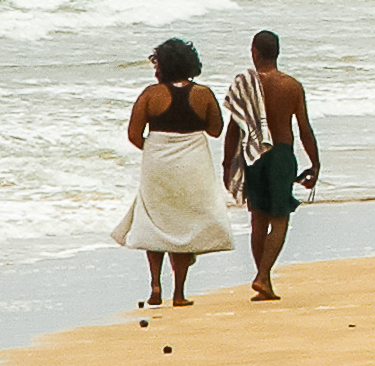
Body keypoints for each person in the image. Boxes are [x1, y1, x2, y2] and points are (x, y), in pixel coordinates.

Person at [114, 38, 236, 307]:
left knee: (156, 221)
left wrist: (157, 150)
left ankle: (155, 285)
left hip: (157, 165)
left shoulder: (150, 94)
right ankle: (179, 293)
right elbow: (216, 130)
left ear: (162, 65)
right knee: (184, 223)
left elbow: (134, 135)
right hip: (193, 165)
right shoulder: (203, 94)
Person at [222, 30, 320, 303]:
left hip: (253, 155)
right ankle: (263, 276)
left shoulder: (245, 86)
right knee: (280, 220)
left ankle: (262, 277)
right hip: (281, 155)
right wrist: (315, 163)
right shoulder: (292, 86)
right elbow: (304, 129)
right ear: (277, 52)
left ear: (254, 51)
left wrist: (226, 164)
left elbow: (234, 129)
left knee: (258, 219)